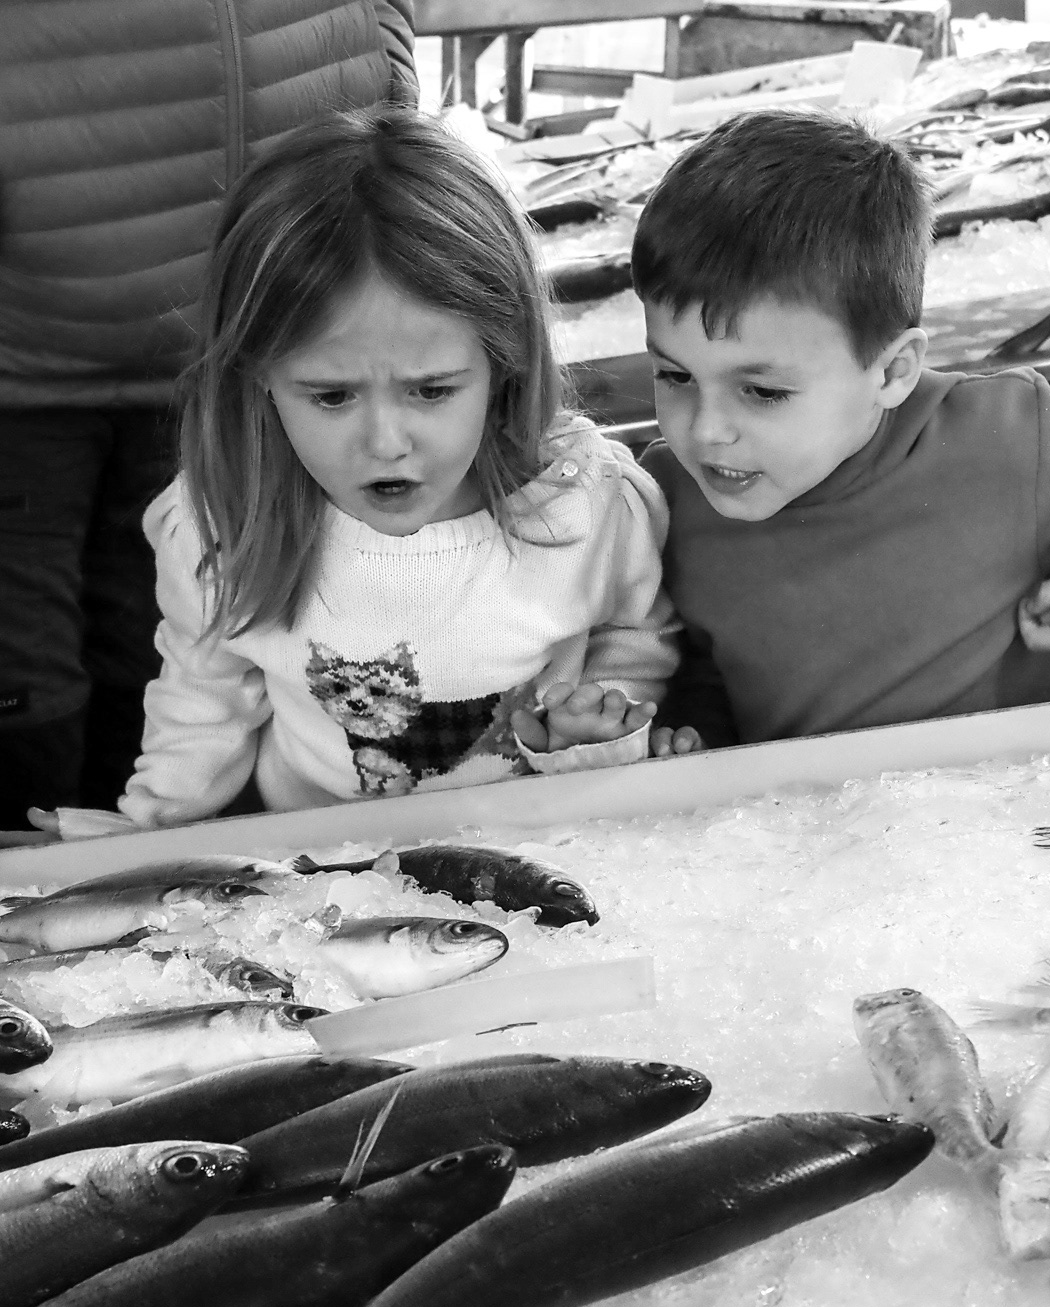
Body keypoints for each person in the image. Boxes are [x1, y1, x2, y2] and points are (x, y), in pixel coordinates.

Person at [34, 107, 680, 835]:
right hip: (323, 884)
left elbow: (635, 640)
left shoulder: (587, 504)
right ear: (259, 375)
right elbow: (204, 694)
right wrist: (149, 832)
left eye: (431, 390)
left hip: (543, 847)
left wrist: (594, 729)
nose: (385, 443)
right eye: (332, 395)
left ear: (505, 364)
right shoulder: (223, 523)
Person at [632, 111, 1050, 758]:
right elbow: (706, 663)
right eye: (675, 375)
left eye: (763, 391)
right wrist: (692, 733)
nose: (706, 431)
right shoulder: (669, 500)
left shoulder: (1002, 435)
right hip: (820, 838)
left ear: (893, 371)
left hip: (1024, 821)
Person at [0, 0, 420, 832]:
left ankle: (138, 864)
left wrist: (384, 75)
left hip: (255, 340)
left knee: (186, 638)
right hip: (24, 365)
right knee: (23, 672)